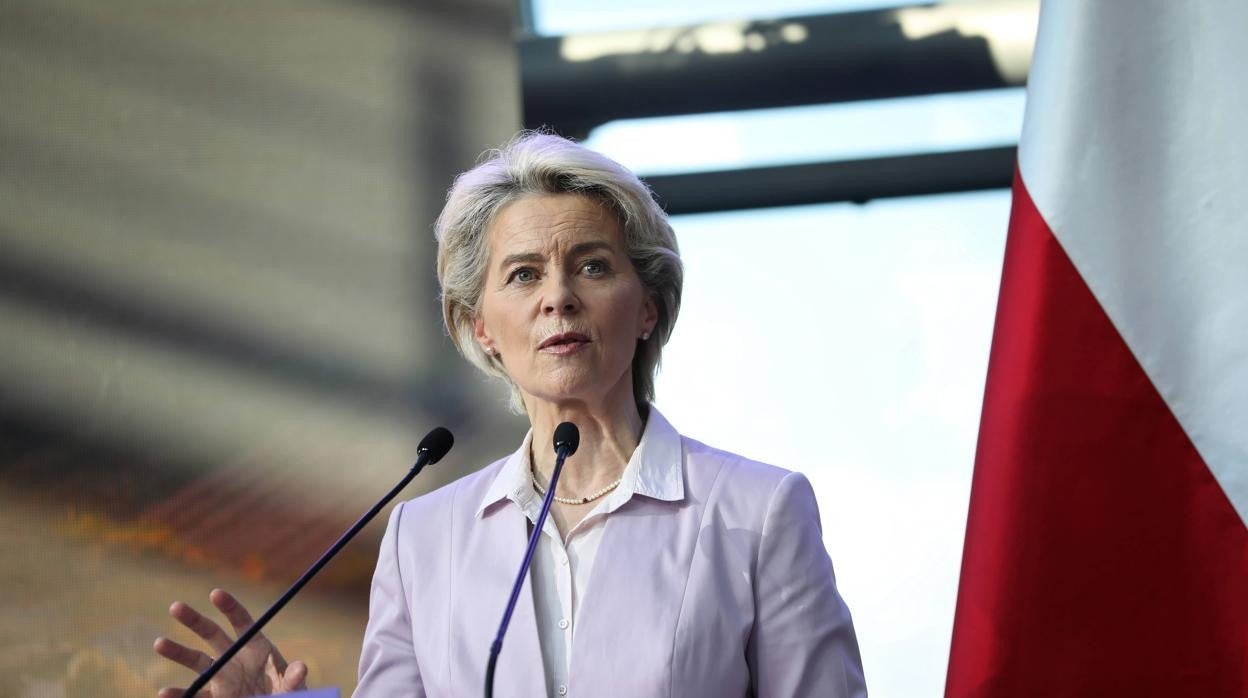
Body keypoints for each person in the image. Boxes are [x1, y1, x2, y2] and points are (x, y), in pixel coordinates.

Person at [154, 132, 867, 697]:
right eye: (523, 274)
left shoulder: (758, 512)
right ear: (482, 326)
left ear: (646, 304)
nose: (557, 297)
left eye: (592, 266)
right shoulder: (422, 538)